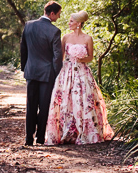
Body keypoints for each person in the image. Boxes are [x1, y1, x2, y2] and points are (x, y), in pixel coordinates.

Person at [45, 10, 113, 145]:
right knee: (66, 100)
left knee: (84, 100)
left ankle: (86, 132)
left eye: (71, 21)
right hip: (67, 72)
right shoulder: (65, 37)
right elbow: (61, 57)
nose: (69, 23)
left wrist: (80, 59)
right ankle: (67, 132)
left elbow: (91, 58)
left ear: (79, 23)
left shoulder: (88, 38)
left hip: (82, 72)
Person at [20, 0, 63, 146]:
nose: (58, 17)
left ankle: (28, 139)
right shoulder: (54, 31)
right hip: (47, 74)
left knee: (30, 106)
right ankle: (40, 138)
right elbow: (57, 57)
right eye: (58, 15)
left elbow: (23, 49)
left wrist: (24, 68)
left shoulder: (28, 25)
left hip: (31, 71)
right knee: (44, 106)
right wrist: (58, 75)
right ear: (52, 13)